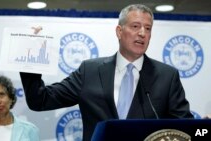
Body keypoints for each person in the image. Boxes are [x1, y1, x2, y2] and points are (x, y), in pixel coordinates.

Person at [20, 4, 193, 141]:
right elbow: (40, 100)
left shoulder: (167, 76)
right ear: (119, 31)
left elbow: (187, 128)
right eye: (135, 26)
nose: (142, 33)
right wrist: (32, 55)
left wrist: (204, 130)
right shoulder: (90, 71)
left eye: (148, 29)